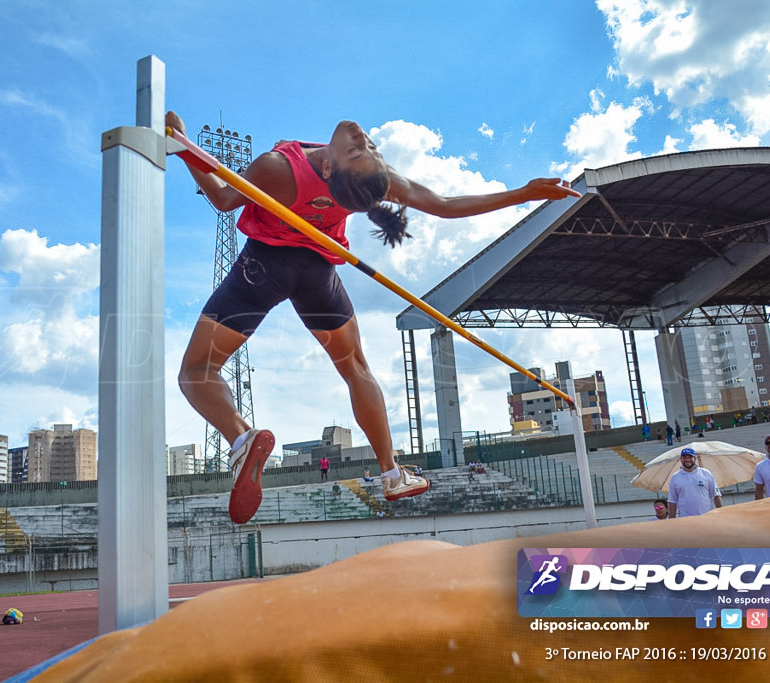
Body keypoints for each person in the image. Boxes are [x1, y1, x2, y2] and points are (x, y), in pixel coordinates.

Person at [169, 111, 581, 524]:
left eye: (358, 148)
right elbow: (442, 206)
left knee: (197, 370)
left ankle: (241, 436)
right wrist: (522, 193)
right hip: (317, 274)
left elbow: (223, 199)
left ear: (329, 166)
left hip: (264, 266)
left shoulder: (279, 169)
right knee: (355, 368)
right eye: (367, 147)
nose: (363, 138)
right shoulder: (375, 177)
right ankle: (391, 472)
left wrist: (184, 146)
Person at [667, 447, 722, 517]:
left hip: (706, 517)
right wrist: (672, 520)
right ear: (681, 459)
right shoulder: (675, 477)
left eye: (690, 457)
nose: (687, 460)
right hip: (686, 520)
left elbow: (716, 495)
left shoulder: (706, 473)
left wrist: (721, 514)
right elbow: (672, 501)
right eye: (685, 457)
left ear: (695, 459)